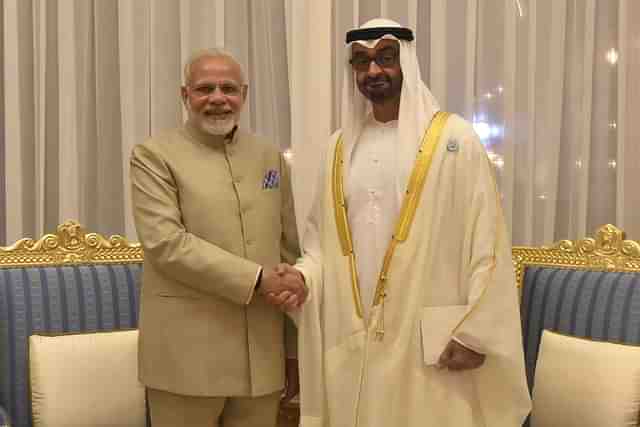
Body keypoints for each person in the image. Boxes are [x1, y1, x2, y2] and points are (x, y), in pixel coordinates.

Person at [270, 18, 531, 427]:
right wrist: (304, 278)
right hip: (354, 335)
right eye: (361, 62)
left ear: (406, 61)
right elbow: (323, 244)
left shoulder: (455, 139)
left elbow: (488, 242)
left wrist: (476, 332)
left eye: (385, 58)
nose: (373, 71)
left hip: (430, 339)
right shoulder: (339, 147)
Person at [130, 48, 306, 427]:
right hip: (186, 361)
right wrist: (257, 279)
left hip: (261, 361)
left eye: (228, 88)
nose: (217, 98)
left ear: (243, 94)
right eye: (204, 88)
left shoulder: (269, 157)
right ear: (185, 95)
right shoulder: (153, 156)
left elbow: (288, 251)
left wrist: (293, 350)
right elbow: (166, 244)